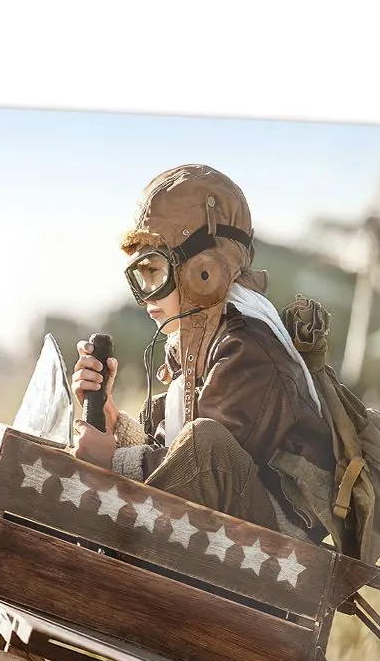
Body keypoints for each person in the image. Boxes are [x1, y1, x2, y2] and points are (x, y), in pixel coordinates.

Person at [70, 164, 336, 542]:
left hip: (280, 537)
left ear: (202, 271)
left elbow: (203, 464)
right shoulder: (197, 344)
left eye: (155, 271)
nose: (147, 295)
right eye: (139, 277)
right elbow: (172, 457)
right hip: (240, 514)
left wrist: (111, 460)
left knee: (203, 442)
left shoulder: (246, 345)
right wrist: (114, 423)